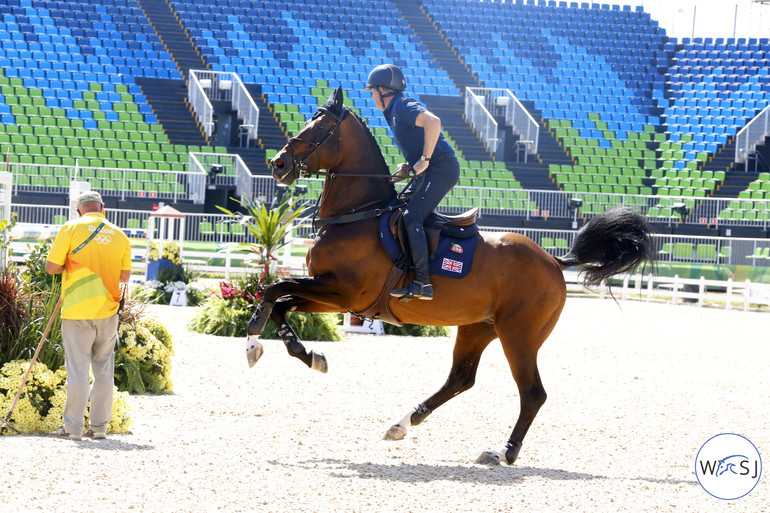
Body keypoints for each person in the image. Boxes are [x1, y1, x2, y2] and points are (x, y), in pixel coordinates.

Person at [366, 64, 461, 301]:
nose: (371, 97)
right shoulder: (394, 112)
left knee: (411, 216)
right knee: (400, 212)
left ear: (383, 90)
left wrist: (426, 160)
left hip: (442, 169)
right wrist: (409, 166)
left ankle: (422, 283)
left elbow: (433, 122)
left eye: (372, 92)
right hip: (431, 170)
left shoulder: (403, 105)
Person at [45, 191, 131, 440]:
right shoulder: (119, 234)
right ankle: (99, 428)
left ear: (78, 209)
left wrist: (72, 265)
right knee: (104, 369)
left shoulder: (71, 227)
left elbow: (52, 267)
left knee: (78, 371)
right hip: (108, 309)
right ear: (102, 207)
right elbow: (124, 276)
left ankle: (72, 429)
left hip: (77, 310)